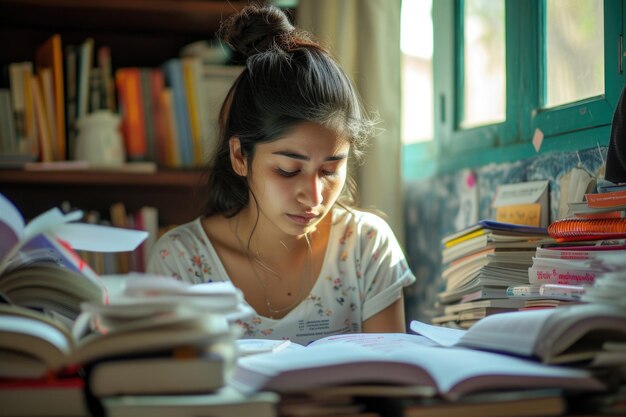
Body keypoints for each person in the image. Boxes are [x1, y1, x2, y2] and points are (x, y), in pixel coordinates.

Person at [148, 3, 416, 345]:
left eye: (330, 170)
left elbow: (392, 377)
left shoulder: (366, 247)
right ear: (239, 156)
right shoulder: (182, 262)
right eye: (289, 170)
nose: (315, 197)